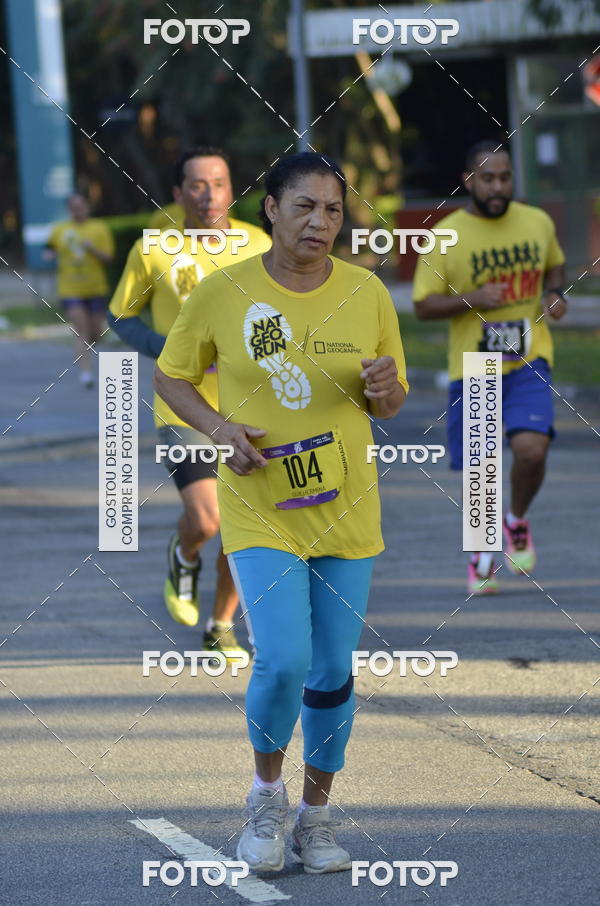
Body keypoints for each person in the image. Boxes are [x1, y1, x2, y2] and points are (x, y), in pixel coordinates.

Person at [154, 152, 408, 874]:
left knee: (332, 667)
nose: (319, 222)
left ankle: (316, 817)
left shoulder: (367, 294)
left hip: (347, 510)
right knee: (284, 660)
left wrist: (388, 390)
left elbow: (387, 401)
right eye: (304, 206)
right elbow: (171, 376)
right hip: (260, 503)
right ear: (270, 209)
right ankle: (266, 799)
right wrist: (219, 430)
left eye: (332, 209)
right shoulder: (224, 291)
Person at [108, 147, 271, 657]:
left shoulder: (258, 243)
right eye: (197, 185)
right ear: (178, 193)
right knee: (207, 520)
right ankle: (184, 552)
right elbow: (120, 317)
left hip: (254, 407)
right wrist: (172, 350)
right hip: (183, 405)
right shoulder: (155, 247)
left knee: (246, 528)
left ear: (232, 188)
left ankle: (219, 624)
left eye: (219, 183)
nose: (210, 195)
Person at [413, 140, 566, 594]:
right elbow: (422, 306)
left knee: (532, 450)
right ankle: (482, 551)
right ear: (468, 181)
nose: (498, 187)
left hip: (529, 358)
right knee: (481, 468)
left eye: (505, 178)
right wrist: (473, 300)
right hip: (474, 366)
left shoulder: (536, 223)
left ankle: (515, 520)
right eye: (488, 179)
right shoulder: (445, 235)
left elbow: (555, 268)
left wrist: (555, 295)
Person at [45, 193, 114, 388]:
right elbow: (48, 248)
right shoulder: (60, 230)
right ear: (69, 209)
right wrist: (50, 253)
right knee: (81, 330)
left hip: (95, 288)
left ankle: (85, 349)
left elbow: (108, 258)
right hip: (70, 288)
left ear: (87, 207)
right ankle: (86, 374)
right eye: (73, 207)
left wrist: (92, 249)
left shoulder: (99, 228)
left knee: (96, 333)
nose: (78, 210)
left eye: (81, 206)